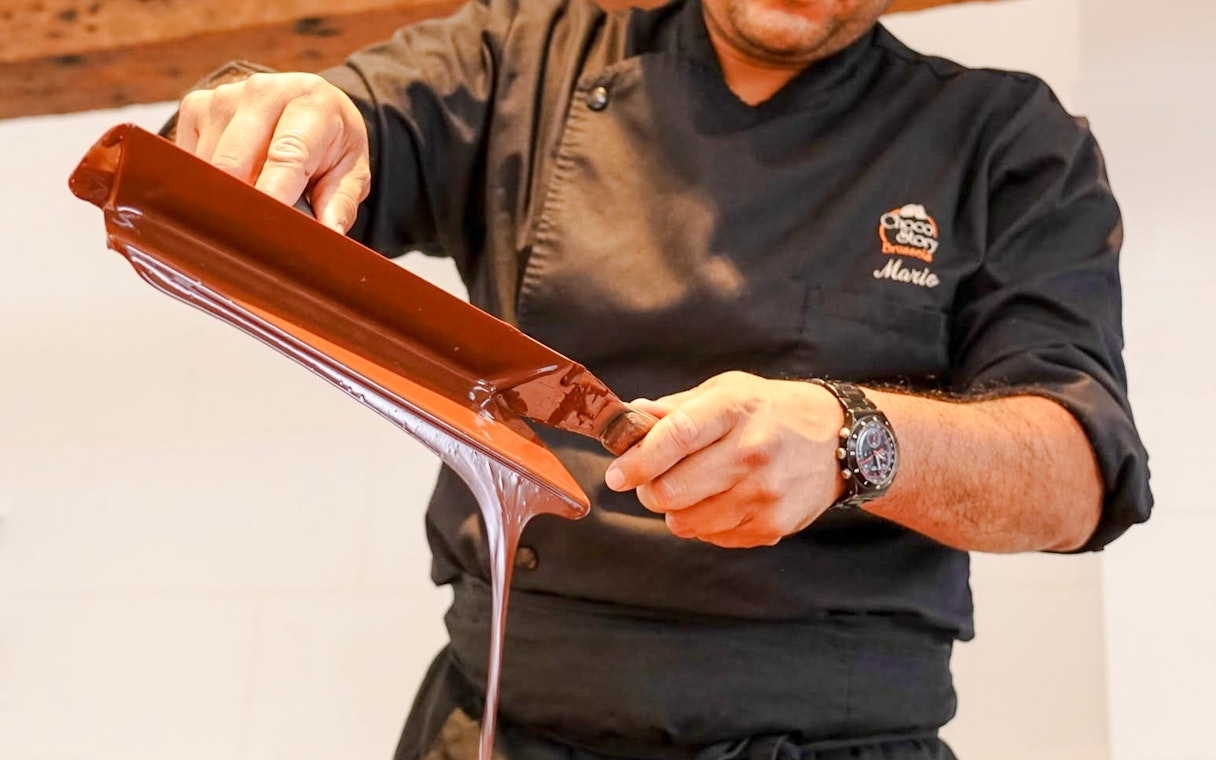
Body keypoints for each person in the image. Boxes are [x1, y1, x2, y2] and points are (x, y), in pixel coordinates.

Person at [173, 0, 1153, 757]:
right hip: (508, 727)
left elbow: (1074, 476)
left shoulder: (1003, 140)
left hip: (832, 737)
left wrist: (852, 438)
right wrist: (293, 116)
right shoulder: (528, 57)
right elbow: (360, 119)